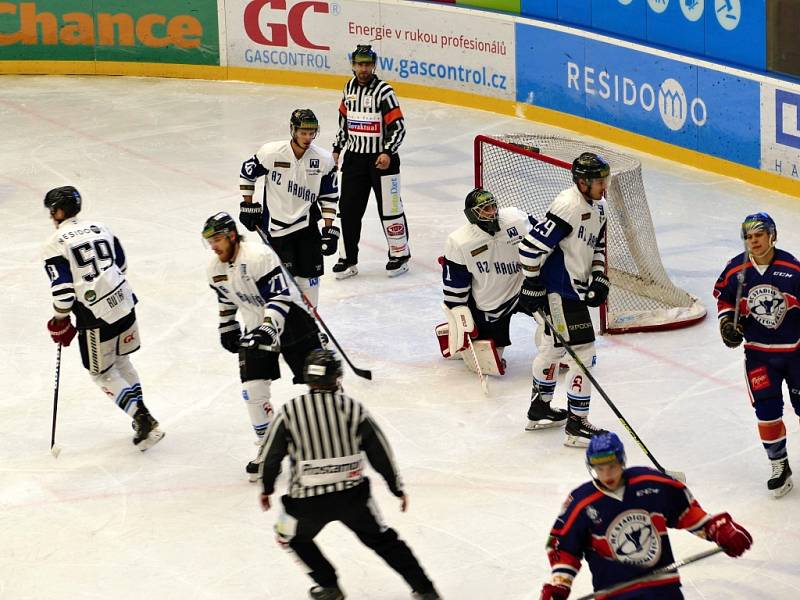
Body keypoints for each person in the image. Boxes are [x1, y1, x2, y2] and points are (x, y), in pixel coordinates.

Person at [258, 349, 441, 600]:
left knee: (286, 535)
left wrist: (266, 489)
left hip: (304, 504)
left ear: (307, 379)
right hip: (353, 499)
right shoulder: (353, 409)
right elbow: (380, 452)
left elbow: (270, 458)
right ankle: (425, 590)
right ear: (337, 378)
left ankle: (328, 585)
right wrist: (396, 487)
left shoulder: (289, 412)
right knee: (385, 541)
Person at [540, 432, 753, 599]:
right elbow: (563, 545)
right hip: (614, 594)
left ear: (622, 461)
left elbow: (686, 512)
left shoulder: (651, 483)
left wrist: (718, 529)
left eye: (612, 467)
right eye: (600, 469)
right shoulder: (581, 502)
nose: (607, 475)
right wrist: (560, 582)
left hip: (662, 586)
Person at [41, 186, 164, 450]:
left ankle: (141, 417)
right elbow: (121, 265)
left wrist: (59, 320)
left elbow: (63, 293)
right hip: (125, 303)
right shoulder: (101, 228)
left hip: (95, 316)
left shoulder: (55, 243)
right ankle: (142, 416)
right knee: (122, 360)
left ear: (58, 211)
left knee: (101, 372)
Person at [204, 212, 322, 480]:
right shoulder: (215, 268)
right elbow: (227, 298)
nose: (213, 246)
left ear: (232, 235)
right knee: (252, 390)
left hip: (292, 321)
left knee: (320, 380)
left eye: (218, 239)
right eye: (209, 241)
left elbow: (279, 297)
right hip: (256, 325)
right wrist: (228, 326)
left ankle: (336, 431)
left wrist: (270, 328)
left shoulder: (258, 256)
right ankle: (269, 447)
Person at [517, 152, 612, 446]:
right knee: (584, 354)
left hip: (574, 291)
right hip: (560, 293)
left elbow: (598, 246)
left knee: (551, 349)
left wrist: (598, 277)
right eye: (599, 181)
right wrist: (532, 283)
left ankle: (540, 409)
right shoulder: (568, 205)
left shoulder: (600, 207)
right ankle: (576, 424)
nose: (604, 186)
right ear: (582, 182)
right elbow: (530, 249)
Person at [713, 212, 800, 498]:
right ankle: (779, 466)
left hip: (795, 353)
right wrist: (728, 323)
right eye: (749, 237)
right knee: (766, 412)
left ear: (772, 235)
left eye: (759, 235)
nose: (754, 241)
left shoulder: (792, 268)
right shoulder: (736, 269)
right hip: (759, 356)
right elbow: (724, 297)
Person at [238, 108, 339, 307]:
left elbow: (329, 196)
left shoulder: (324, 160)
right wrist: (247, 205)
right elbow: (247, 173)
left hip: (307, 227)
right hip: (276, 231)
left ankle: (312, 329)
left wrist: (328, 228)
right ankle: (286, 328)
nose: (308, 138)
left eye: (311, 133)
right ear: (293, 130)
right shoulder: (272, 152)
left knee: (310, 280)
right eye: (303, 133)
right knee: (283, 284)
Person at [438, 188, 541, 376]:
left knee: (551, 317)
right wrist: (459, 318)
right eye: (485, 209)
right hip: (491, 305)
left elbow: (544, 239)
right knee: (491, 364)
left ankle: (555, 351)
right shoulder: (460, 241)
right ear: (472, 214)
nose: (492, 212)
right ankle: (453, 335)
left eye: (493, 206)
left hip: (525, 288)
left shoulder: (516, 219)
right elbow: (455, 289)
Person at [331, 44, 411, 279]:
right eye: (359, 64)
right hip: (355, 160)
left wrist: (387, 151)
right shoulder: (348, 88)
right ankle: (348, 259)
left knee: (390, 209)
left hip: (382, 161)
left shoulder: (384, 91)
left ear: (374, 65)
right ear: (353, 65)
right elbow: (344, 124)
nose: (363, 69)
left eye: (367, 64)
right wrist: (337, 149)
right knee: (348, 210)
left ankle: (399, 255)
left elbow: (398, 127)